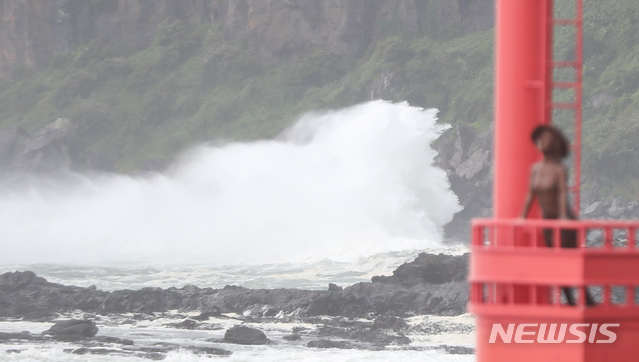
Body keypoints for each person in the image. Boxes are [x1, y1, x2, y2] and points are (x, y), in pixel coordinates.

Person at [521, 124, 595, 306]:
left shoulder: (559, 169)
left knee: (571, 263)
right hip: (547, 221)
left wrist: (563, 217)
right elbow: (531, 194)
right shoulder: (535, 169)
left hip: (564, 221)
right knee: (558, 263)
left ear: (553, 144)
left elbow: (562, 193)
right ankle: (570, 300)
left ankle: (586, 298)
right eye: (539, 140)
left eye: (545, 139)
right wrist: (522, 216)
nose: (540, 142)